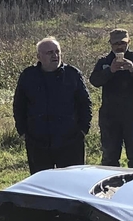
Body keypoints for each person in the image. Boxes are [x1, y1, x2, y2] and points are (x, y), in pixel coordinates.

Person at [13, 36, 93, 174]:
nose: (55, 55)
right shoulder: (28, 76)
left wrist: (83, 130)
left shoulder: (72, 74)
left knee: (71, 181)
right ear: (39, 56)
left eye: (57, 51)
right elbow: (19, 105)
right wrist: (23, 131)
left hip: (70, 141)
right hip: (38, 142)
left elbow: (85, 104)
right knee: (41, 182)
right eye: (49, 52)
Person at [89, 28, 133, 168]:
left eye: (122, 43)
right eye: (116, 44)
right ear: (110, 44)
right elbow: (94, 81)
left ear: (129, 42)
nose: (119, 47)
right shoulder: (104, 61)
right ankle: (111, 182)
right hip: (110, 117)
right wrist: (110, 70)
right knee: (110, 158)